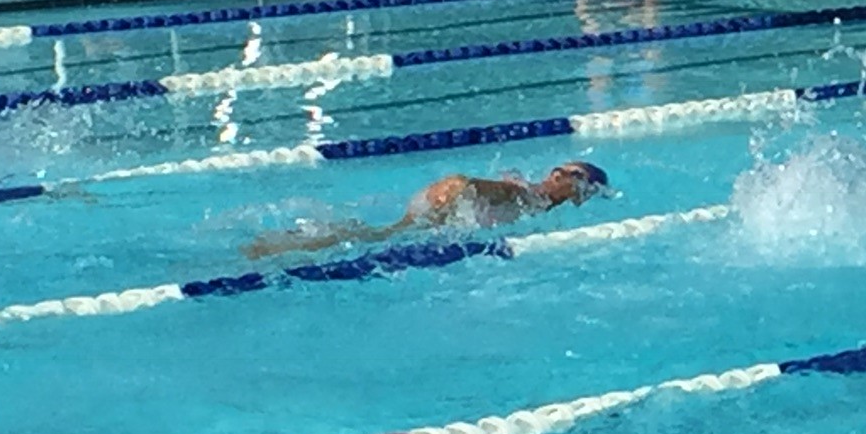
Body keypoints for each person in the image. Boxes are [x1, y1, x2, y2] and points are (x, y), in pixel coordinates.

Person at [242, 161, 612, 258]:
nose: (562, 175)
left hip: (451, 191)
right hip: (454, 191)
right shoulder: (536, 197)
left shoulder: (536, 195)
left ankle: (293, 240)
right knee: (381, 237)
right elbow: (479, 188)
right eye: (564, 171)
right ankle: (280, 245)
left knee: (379, 234)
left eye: (573, 174)